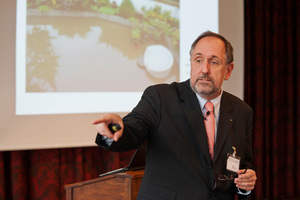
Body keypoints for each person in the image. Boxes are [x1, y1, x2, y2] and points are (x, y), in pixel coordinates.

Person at [93, 31, 257, 200]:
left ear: (228, 70)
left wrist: (246, 183)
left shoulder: (242, 111)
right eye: (198, 60)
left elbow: (242, 164)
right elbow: (133, 129)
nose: (204, 70)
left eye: (214, 62)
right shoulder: (161, 97)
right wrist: (114, 128)